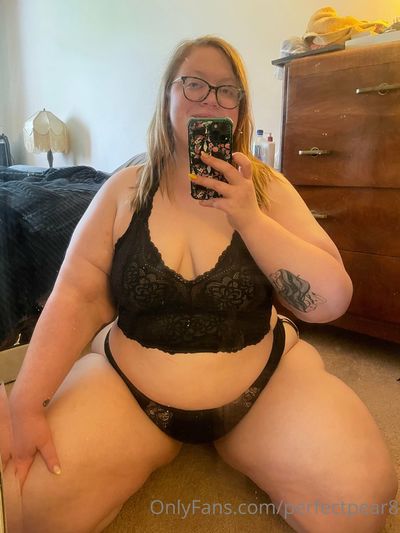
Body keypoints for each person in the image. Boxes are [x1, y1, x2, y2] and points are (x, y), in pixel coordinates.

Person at [5, 35, 398, 533]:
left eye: (227, 90)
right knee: (24, 506)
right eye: (194, 84)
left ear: (239, 108)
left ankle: (242, 443)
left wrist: (249, 218)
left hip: (262, 387)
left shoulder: (267, 190)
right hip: (130, 392)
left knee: (362, 504)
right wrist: (25, 402)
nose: (211, 99)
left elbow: (329, 302)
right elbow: (77, 296)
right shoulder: (123, 191)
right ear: (167, 95)